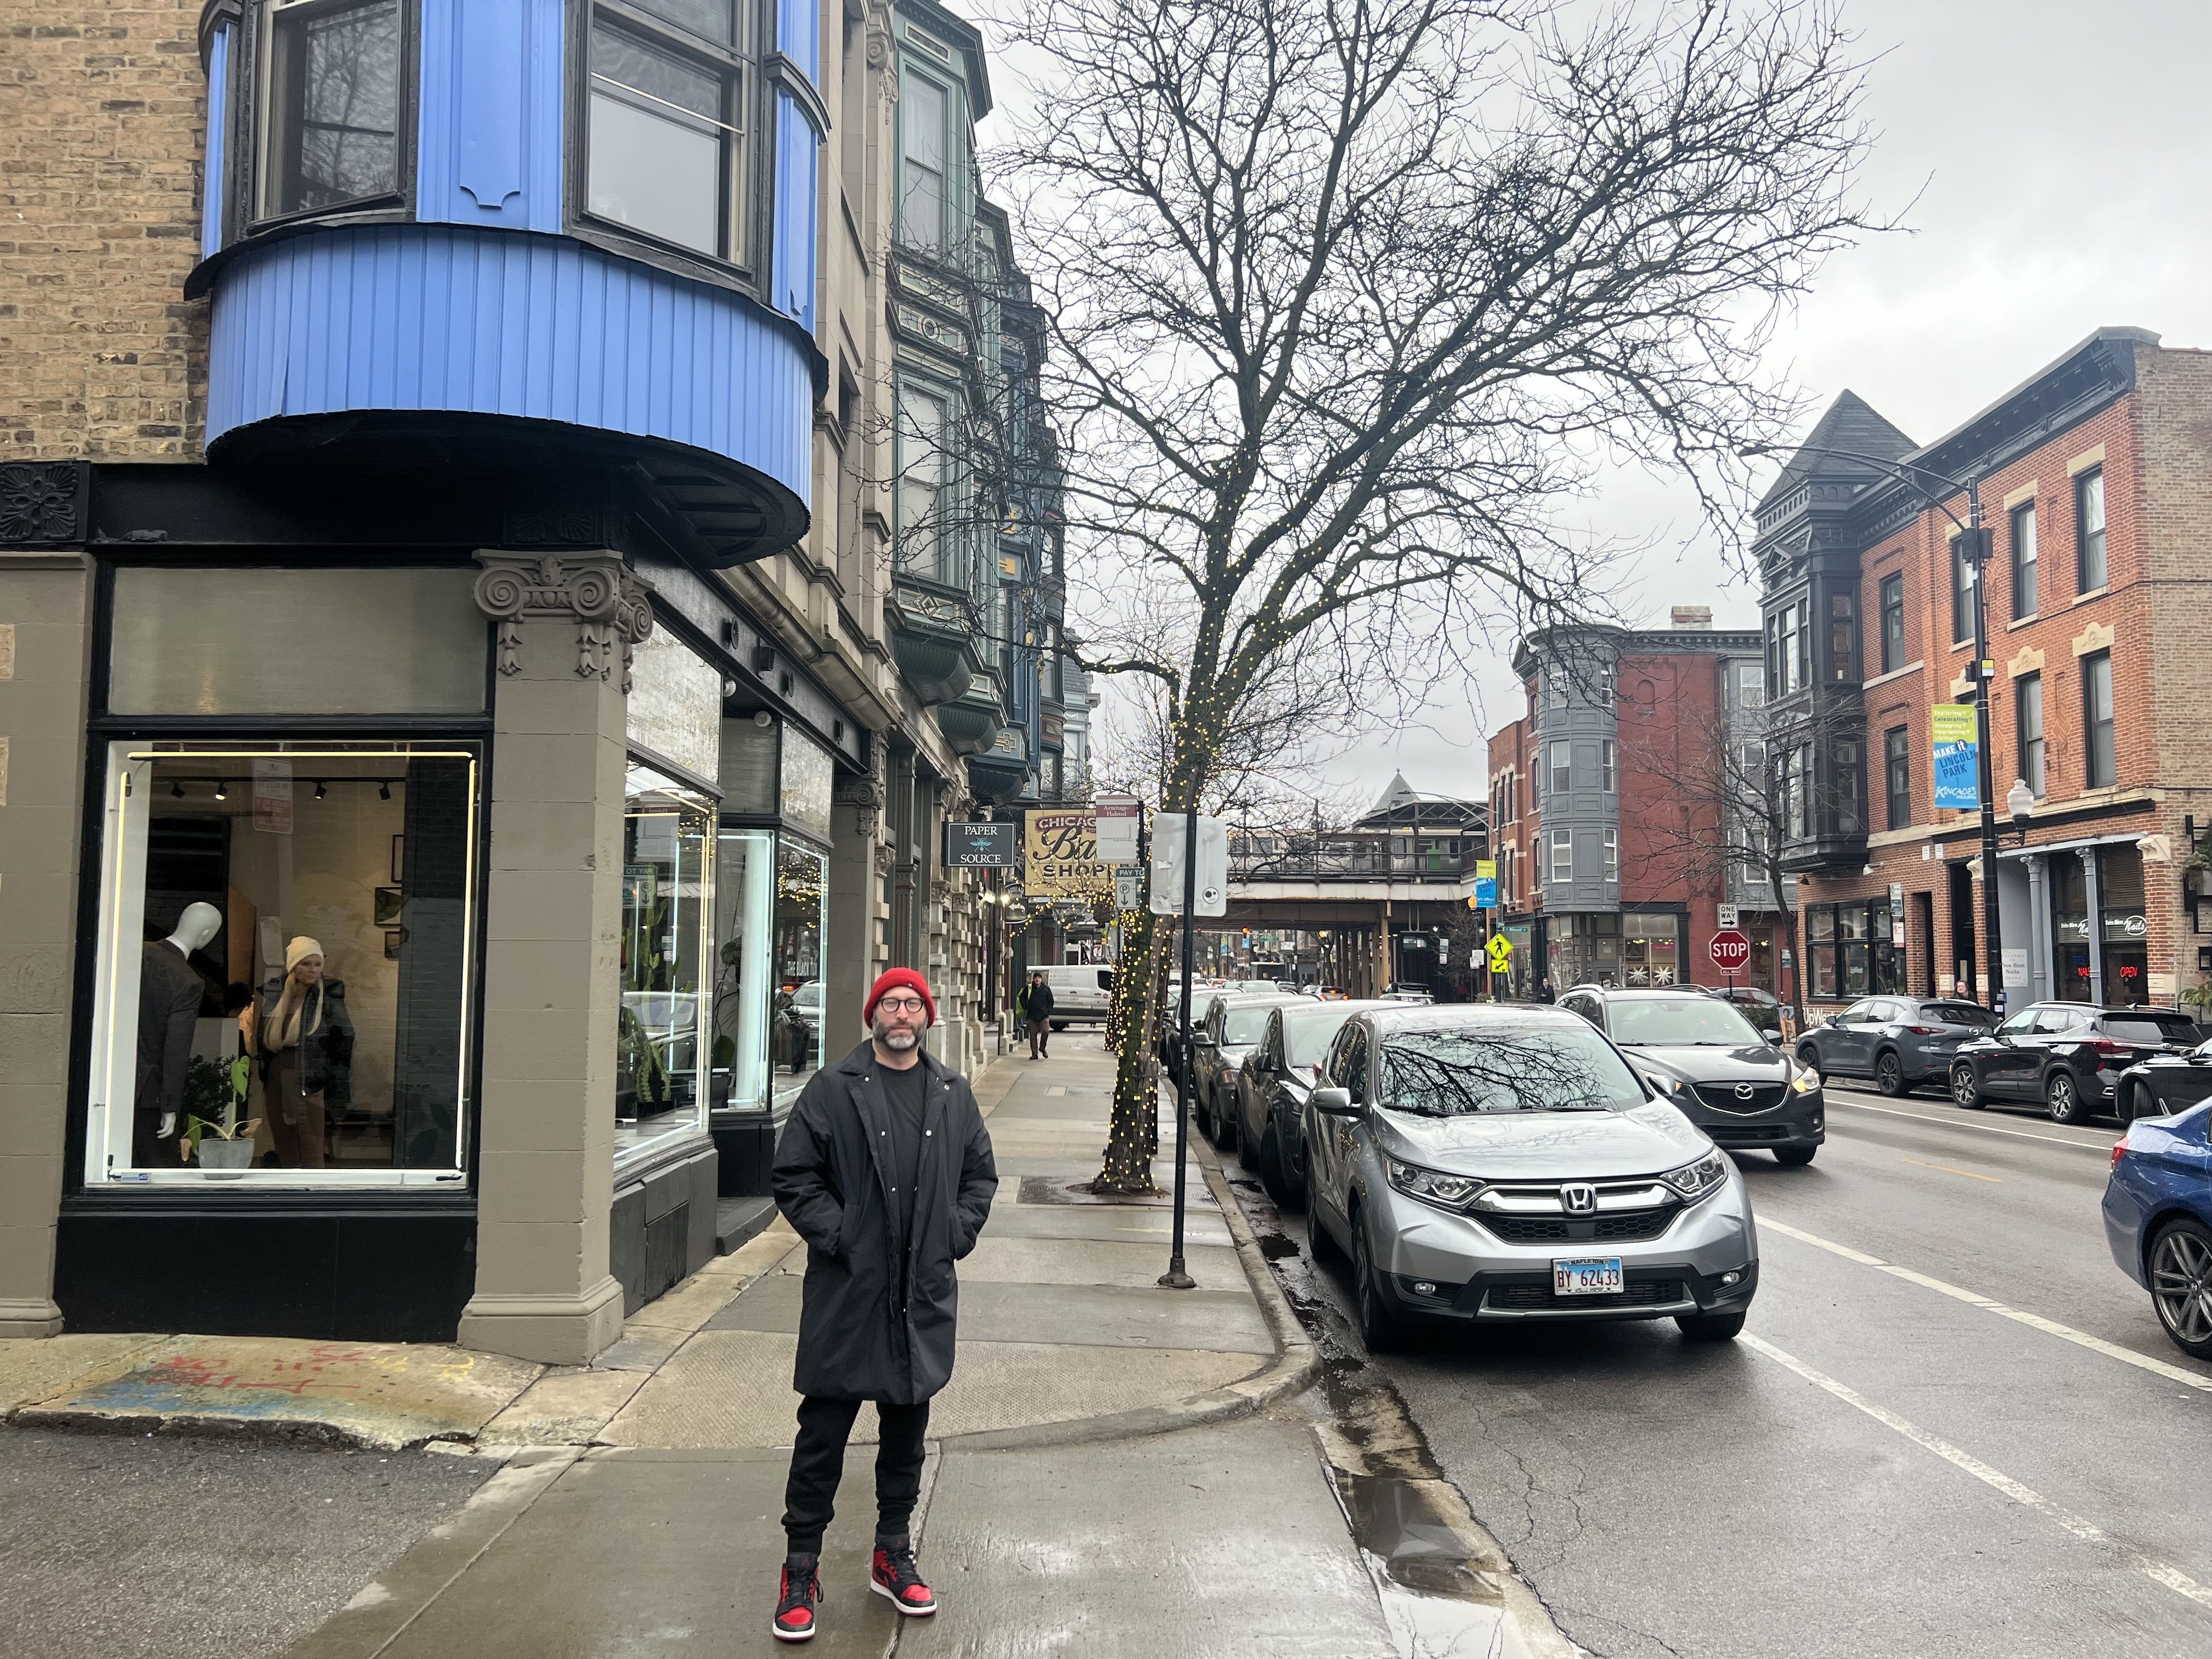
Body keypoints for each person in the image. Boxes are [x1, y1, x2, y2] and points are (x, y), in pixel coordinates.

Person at [768, 968, 998, 1644]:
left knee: (906, 1436)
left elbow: (979, 1176)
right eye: (891, 1003)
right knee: (822, 1438)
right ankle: (799, 1568)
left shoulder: (952, 1094)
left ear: (926, 1017)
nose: (902, 1014)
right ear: (873, 1015)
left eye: (912, 1004)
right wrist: (839, 1235)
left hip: (918, 1296)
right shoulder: (832, 1091)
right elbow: (794, 1176)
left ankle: (891, 1552)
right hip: (850, 1292)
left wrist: (954, 1234)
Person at [240, 936, 354, 1168]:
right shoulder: (276, 993)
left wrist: (329, 1077)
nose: (313, 969)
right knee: (283, 1137)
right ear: (294, 965)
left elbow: (344, 1038)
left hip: (311, 1074)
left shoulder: (329, 994)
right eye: (306, 963)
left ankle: (314, 1197)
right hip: (277, 1072)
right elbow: (263, 1038)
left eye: (317, 964)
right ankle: (287, 1192)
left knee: (311, 1142)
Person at [1023, 968, 1056, 1059]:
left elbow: (1051, 1002)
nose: (1037, 980)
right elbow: (1022, 998)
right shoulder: (1029, 989)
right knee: (1033, 1036)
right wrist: (1027, 1007)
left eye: (1039, 978)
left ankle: (1042, 1048)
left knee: (1046, 1032)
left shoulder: (1046, 989)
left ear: (1042, 979)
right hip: (1032, 1016)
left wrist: (1047, 1011)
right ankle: (1034, 1053)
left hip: (1043, 1016)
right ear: (1033, 979)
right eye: (1036, 978)